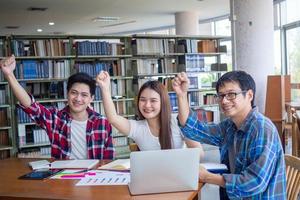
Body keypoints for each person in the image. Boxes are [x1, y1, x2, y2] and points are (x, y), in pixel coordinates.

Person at [172, 71, 286, 199]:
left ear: (249, 95)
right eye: (221, 96)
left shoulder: (262, 129)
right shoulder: (230, 126)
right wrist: (181, 95)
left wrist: (207, 177)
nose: (224, 101)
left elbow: (254, 182)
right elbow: (193, 130)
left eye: (231, 94)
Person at [0, 55, 114, 159]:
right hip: (62, 178)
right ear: (67, 94)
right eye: (74, 93)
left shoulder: (103, 122)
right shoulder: (55, 119)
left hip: (92, 178)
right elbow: (30, 105)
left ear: (91, 98)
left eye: (84, 95)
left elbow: (108, 159)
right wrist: (9, 75)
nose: (78, 99)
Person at [96, 71, 204, 156]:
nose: (147, 105)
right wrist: (105, 89)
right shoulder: (137, 128)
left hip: (179, 177)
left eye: (153, 100)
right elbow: (113, 118)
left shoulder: (177, 120)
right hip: (150, 180)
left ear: (163, 103)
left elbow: (199, 153)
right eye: (143, 100)